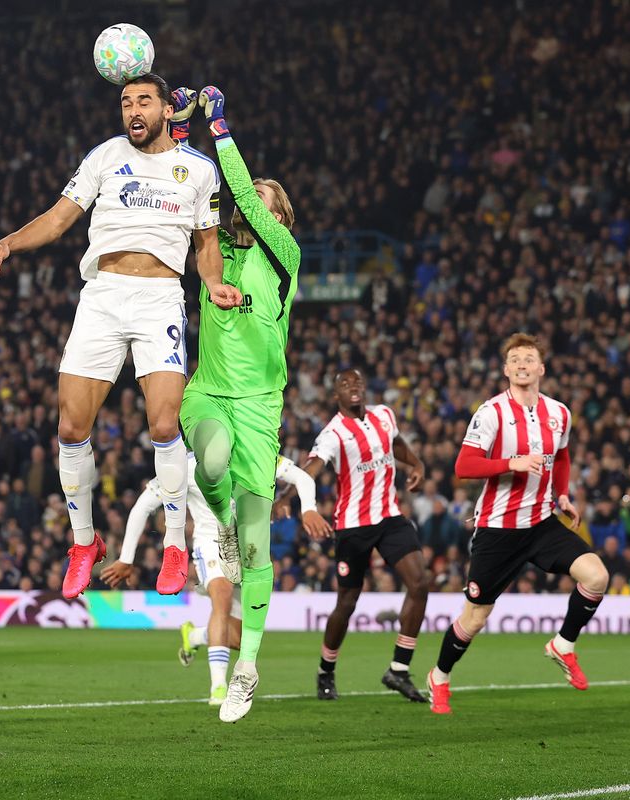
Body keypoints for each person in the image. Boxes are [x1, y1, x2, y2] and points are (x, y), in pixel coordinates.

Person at [0, 73, 240, 600]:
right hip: (102, 296)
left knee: (165, 421)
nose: (133, 110)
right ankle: (85, 543)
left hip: (160, 300)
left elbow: (206, 243)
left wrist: (213, 283)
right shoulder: (104, 156)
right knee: (71, 425)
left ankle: (172, 544)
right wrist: (9, 242)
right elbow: (58, 220)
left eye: (144, 100)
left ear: (169, 110)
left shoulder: (198, 170)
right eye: (126, 102)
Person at [176, 86, 301, 723]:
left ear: (282, 216)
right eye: (247, 202)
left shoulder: (285, 256)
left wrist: (220, 128)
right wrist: (178, 131)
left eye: (267, 202)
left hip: (261, 405)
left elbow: (244, 192)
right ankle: (219, 523)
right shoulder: (213, 252)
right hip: (209, 392)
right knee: (212, 460)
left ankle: (247, 666)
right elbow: (193, 195)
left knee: (258, 548)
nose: (252, 207)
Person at [428, 333, 609, 714]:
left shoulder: (559, 413)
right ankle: (440, 676)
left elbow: (561, 456)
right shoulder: (492, 412)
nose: (522, 364)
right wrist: (511, 463)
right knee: (475, 617)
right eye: (515, 359)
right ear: (506, 369)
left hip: (542, 522)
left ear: (541, 368)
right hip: (498, 528)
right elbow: (464, 466)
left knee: (596, 577)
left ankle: (563, 645)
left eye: (529, 358)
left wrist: (562, 494)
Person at [103, 453, 319, 706]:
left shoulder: (254, 451)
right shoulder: (187, 465)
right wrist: (126, 558)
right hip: (211, 544)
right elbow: (143, 505)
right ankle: (219, 687)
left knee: (238, 639)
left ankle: (195, 637)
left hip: (250, 549)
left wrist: (309, 509)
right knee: (222, 598)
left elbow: (303, 478)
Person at [297, 368, 429, 703]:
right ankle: (326, 671)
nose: (352, 386)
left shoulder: (385, 414)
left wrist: (416, 465)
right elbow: (312, 467)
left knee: (419, 583)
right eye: (344, 383)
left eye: (356, 381)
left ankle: (398, 670)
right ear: (335, 395)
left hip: (389, 517)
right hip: (352, 526)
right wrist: (296, 500)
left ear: (364, 387)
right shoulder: (333, 433)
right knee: (347, 601)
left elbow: (396, 442)